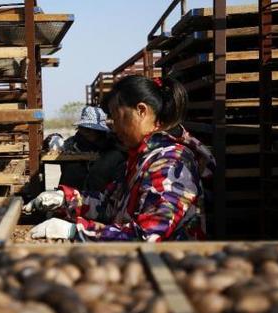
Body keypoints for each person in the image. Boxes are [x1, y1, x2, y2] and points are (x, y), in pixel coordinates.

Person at [23, 75, 215, 242]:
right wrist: (64, 199)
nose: (114, 127)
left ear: (141, 111)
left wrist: (76, 231)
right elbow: (108, 205)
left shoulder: (172, 163)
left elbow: (147, 236)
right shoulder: (141, 157)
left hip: (168, 268)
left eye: (117, 117)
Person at [56, 106, 127, 192]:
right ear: (80, 129)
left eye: (95, 130)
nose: (91, 133)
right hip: (72, 195)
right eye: (86, 129)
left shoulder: (113, 144)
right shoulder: (72, 143)